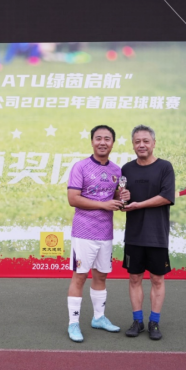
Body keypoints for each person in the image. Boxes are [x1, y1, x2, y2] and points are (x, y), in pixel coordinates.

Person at [66, 125, 129, 343]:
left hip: (105, 233)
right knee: (80, 276)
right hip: (83, 232)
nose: (103, 142)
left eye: (107, 139)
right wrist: (103, 205)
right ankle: (73, 323)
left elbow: (117, 200)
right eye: (98, 138)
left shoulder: (117, 171)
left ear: (113, 143)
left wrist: (123, 198)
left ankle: (99, 318)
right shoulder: (80, 167)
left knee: (101, 276)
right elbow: (73, 199)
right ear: (92, 141)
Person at [121, 125, 175, 340]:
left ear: (153, 143)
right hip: (134, 235)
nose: (141, 145)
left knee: (157, 279)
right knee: (134, 278)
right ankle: (137, 321)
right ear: (133, 145)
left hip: (157, 235)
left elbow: (167, 197)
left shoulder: (165, 167)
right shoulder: (126, 169)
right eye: (137, 142)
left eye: (145, 141)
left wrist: (139, 204)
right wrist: (122, 198)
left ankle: (154, 322)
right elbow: (122, 199)